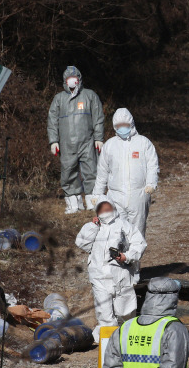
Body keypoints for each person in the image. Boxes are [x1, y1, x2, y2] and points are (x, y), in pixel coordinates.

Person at [76, 195, 146, 343]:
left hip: (121, 274)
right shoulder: (94, 226)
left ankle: (127, 337)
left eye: (107, 207)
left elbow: (139, 243)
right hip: (99, 275)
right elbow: (82, 243)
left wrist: (126, 257)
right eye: (101, 208)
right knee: (104, 312)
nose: (105, 211)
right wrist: (92, 227)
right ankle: (109, 343)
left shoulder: (124, 225)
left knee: (125, 309)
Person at [93, 108, 159, 238]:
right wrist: (97, 194)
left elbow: (153, 165)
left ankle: (134, 258)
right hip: (115, 196)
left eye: (125, 125)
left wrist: (151, 183)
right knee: (116, 231)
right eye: (119, 126)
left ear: (131, 124)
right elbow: (102, 172)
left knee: (137, 232)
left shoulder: (143, 143)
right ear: (114, 126)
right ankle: (118, 257)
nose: (122, 128)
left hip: (138, 195)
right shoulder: (109, 146)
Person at [48, 66, 105, 214]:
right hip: (67, 144)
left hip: (87, 141)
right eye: (69, 79)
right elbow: (52, 120)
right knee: (68, 172)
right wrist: (53, 140)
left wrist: (99, 138)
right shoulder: (59, 99)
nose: (73, 81)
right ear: (65, 81)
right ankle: (74, 203)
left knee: (91, 170)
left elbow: (98, 118)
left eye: (75, 78)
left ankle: (93, 201)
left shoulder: (89, 95)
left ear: (79, 79)